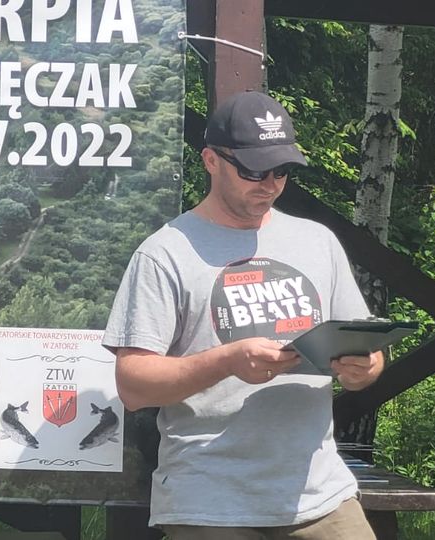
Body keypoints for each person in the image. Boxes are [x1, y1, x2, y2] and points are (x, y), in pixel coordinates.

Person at [102, 91, 384, 540]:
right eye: (253, 170)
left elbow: (364, 348)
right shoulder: (165, 253)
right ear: (211, 161)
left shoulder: (318, 241)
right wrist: (227, 361)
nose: (269, 184)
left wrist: (363, 368)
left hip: (318, 493)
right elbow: (132, 386)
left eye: (281, 171)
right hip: (209, 500)